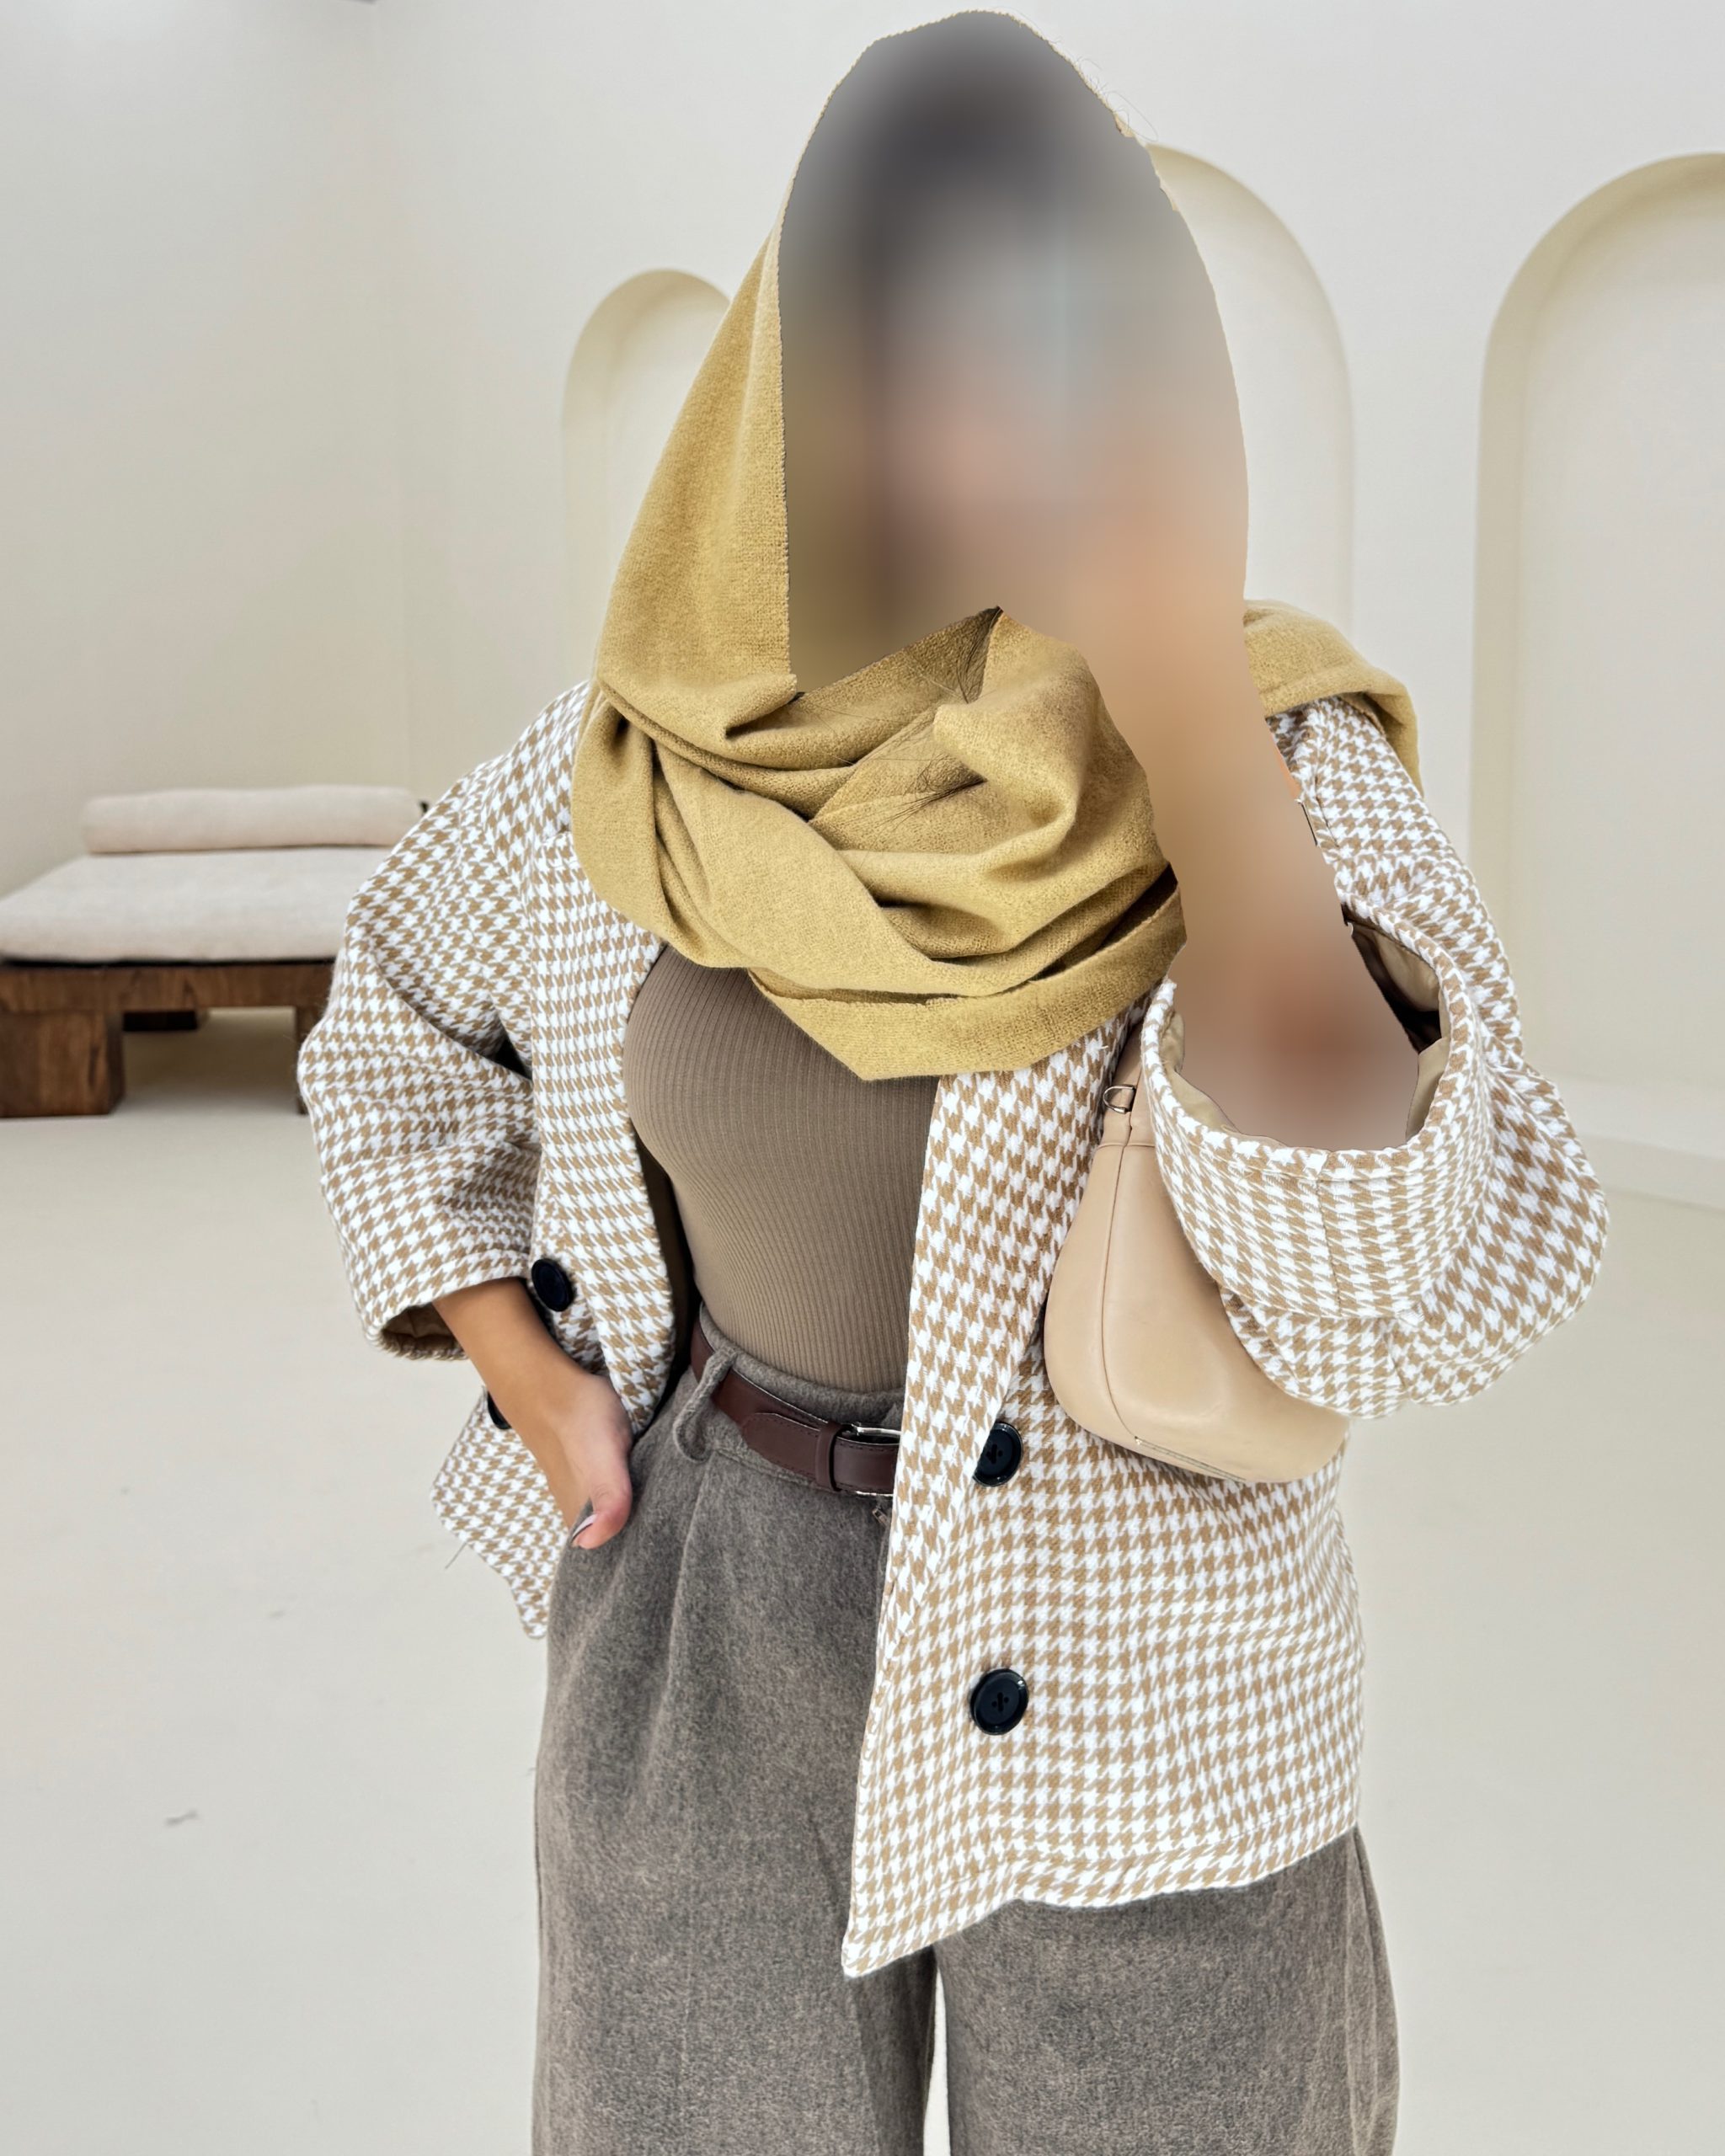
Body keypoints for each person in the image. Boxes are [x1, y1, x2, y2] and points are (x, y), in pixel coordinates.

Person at [298, 15, 1609, 2153]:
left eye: (1060, 330)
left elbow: (1381, 1271)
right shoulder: (631, 756)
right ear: (791, 375)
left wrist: (1176, 684)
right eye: (908, 340)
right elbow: (389, 1020)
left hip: (1146, 1644)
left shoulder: (1276, 741)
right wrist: (523, 1364)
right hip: (712, 1611)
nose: (990, 407)